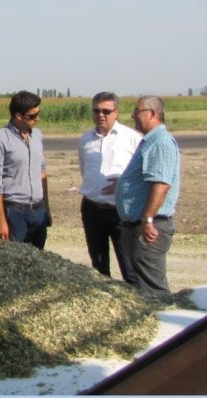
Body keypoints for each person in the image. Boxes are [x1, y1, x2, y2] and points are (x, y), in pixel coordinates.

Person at [115, 96, 180, 295]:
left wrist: (148, 218)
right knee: (140, 284)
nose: (133, 115)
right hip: (138, 225)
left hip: (150, 226)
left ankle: (164, 321)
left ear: (152, 113)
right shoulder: (150, 141)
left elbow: (160, 184)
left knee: (153, 288)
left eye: (137, 111)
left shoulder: (160, 143)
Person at [78, 92, 142, 284]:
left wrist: (123, 185)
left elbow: (141, 174)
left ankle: (134, 305)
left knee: (129, 266)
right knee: (98, 265)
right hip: (92, 209)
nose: (101, 115)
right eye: (96, 111)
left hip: (120, 212)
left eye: (106, 111)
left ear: (116, 112)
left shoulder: (132, 138)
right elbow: (84, 170)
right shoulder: (85, 140)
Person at [0, 90, 51, 249]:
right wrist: (1, 222)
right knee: (16, 264)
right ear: (18, 116)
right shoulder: (0, 140)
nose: (38, 119)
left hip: (38, 210)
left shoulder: (37, 136)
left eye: (38, 113)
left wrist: (46, 209)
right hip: (15, 213)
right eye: (32, 116)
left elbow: (42, 172)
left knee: (38, 262)